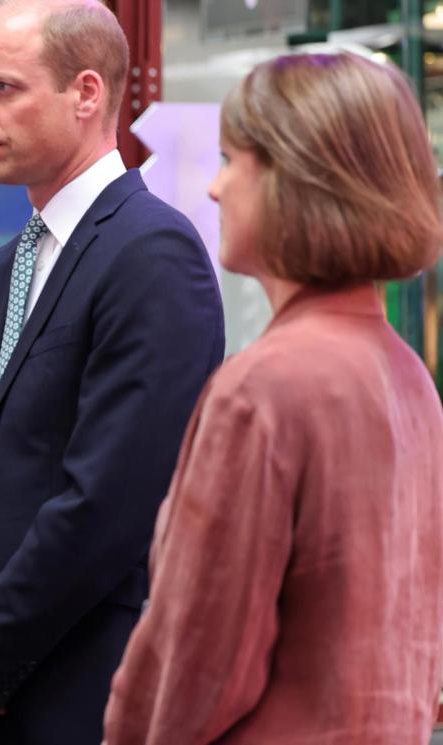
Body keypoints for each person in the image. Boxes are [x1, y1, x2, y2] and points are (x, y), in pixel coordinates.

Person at [0, 1, 225, 743]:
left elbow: (109, 504)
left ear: (86, 93)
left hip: (75, 695)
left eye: (4, 88)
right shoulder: (3, 267)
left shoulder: (152, 255)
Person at [103, 51, 443, 745]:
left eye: (234, 158)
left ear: (297, 180)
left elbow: (197, 661)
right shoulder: (407, 375)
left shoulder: (264, 388)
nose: (218, 187)